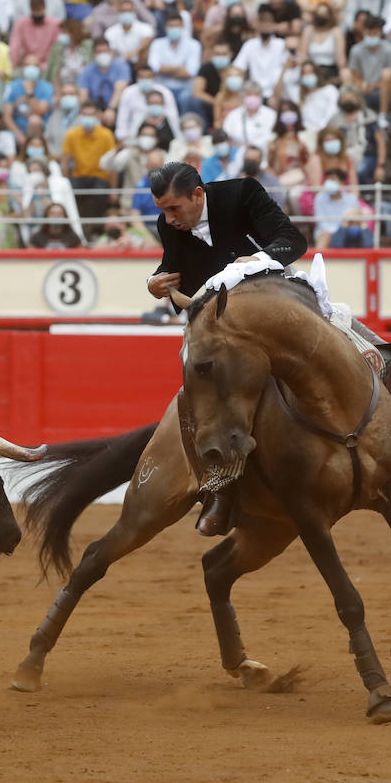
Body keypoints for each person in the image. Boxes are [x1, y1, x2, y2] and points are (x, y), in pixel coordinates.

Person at [144, 160, 307, 535]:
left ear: (197, 194)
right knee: (203, 393)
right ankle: (220, 487)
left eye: (174, 208)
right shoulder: (169, 227)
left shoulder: (242, 194)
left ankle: (385, 465)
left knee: (367, 347)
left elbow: (293, 240)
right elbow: (174, 278)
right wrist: (156, 284)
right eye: (162, 211)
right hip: (226, 329)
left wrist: (260, 260)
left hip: (278, 305)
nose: (169, 220)